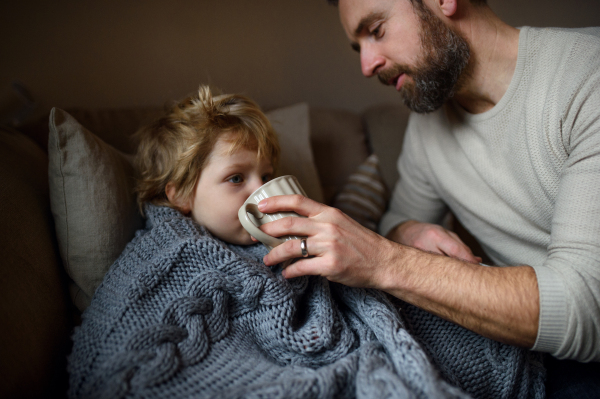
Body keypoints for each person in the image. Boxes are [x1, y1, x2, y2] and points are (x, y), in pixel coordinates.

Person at [68, 85, 546, 398]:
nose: (259, 190)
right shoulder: (170, 258)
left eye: (267, 175)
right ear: (179, 194)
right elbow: (126, 356)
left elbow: (356, 281)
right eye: (236, 178)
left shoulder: (301, 227)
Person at [254, 0, 600, 395]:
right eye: (359, 46)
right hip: (528, 353)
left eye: (377, 30)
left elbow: (585, 308)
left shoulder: (587, 76)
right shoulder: (428, 126)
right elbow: (395, 219)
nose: (367, 65)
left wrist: (384, 260)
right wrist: (409, 230)